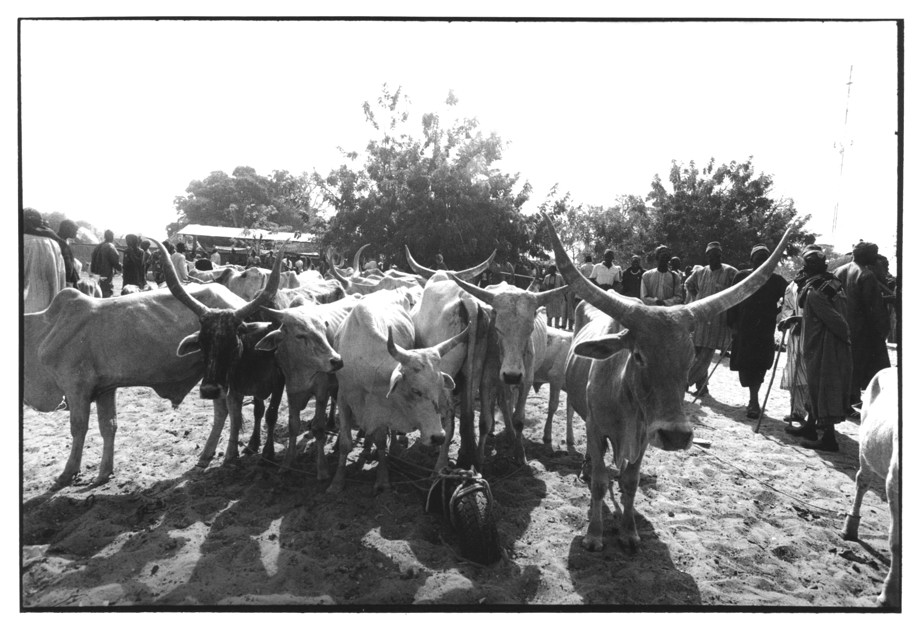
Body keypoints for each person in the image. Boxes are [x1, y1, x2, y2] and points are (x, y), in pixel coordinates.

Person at [786, 245, 852, 452]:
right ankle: (810, 427)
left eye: (809, 265)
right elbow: (821, 315)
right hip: (822, 343)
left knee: (823, 388)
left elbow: (836, 321)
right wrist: (798, 319)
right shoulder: (830, 283)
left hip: (826, 346)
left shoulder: (816, 291)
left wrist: (841, 340)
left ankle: (829, 439)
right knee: (815, 386)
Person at [726, 244, 788, 419]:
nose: (761, 262)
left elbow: (789, 298)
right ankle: (752, 398)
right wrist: (732, 325)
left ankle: (754, 401)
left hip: (764, 331)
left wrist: (779, 312)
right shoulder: (741, 276)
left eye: (765, 259)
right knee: (744, 366)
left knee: (759, 365)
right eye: (758, 259)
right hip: (744, 329)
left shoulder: (776, 280)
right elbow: (731, 300)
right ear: (751, 260)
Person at [833, 241, 891, 412]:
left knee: (846, 364)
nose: (876, 258)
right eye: (874, 254)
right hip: (862, 329)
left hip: (841, 326)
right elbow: (873, 306)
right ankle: (854, 401)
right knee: (865, 366)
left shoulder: (838, 271)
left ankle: (848, 400)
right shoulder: (866, 275)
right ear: (866, 255)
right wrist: (882, 329)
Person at [684, 241, 738, 397]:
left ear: (721, 256)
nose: (715, 258)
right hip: (700, 319)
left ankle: (685, 382)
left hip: (718, 320)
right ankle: (702, 387)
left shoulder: (730, 272)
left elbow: (737, 291)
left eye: (718, 255)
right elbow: (688, 283)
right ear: (707, 256)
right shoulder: (700, 272)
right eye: (711, 256)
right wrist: (696, 297)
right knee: (696, 353)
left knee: (706, 355)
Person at [777, 269, 810, 428]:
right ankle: (797, 410)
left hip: (814, 336)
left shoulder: (821, 285)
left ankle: (815, 415)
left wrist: (801, 321)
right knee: (795, 373)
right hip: (796, 336)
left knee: (812, 375)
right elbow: (787, 307)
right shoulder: (792, 287)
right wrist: (790, 321)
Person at [22, 209, 68, 312]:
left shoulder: (22, 241)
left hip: (25, 308)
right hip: (49, 309)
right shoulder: (54, 244)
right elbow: (62, 276)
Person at [90, 229, 122, 298]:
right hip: (105, 274)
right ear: (112, 237)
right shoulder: (110, 246)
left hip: (96, 274)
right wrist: (121, 268)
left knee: (96, 292)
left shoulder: (98, 246)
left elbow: (92, 257)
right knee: (105, 293)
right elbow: (115, 260)